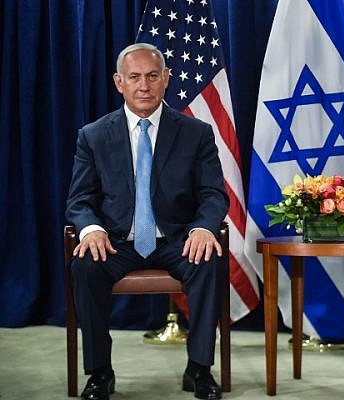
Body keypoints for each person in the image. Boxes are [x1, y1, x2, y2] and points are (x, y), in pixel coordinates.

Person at [66, 43, 229, 400]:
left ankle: (199, 369)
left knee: (209, 261)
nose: (144, 86)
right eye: (135, 77)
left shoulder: (195, 132)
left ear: (166, 79)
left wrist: (203, 228)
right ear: (118, 82)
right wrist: (91, 229)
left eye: (153, 76)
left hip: (176, 240)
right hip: (117, 242)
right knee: (85, 267)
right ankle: (100, 373)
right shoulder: (92, 136)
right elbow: (79, 200)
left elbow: (214, 194)